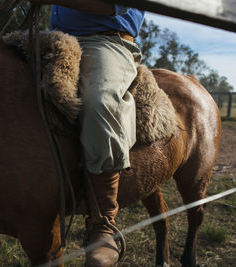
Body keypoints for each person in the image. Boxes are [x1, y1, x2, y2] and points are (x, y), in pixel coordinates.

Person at [29, 1, 145, 266]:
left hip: (105, 43)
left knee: (100, 101)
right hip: (52, 40)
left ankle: (103, 222)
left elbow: (113, 6)